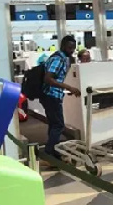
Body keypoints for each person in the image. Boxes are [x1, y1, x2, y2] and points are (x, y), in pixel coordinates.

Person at [40, 36, 81, 164]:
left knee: (54, 125)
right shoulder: (58, 59)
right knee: (58, 125)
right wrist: (69, 87)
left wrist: (66, 90)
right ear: (63, 46)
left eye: (73, 48)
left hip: (51, 95)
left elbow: (55, 80)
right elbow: (49, 78)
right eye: (69, 47)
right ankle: (48, 154)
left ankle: (53, 152)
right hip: (51, 96)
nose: (72, 50)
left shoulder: (60, 58)